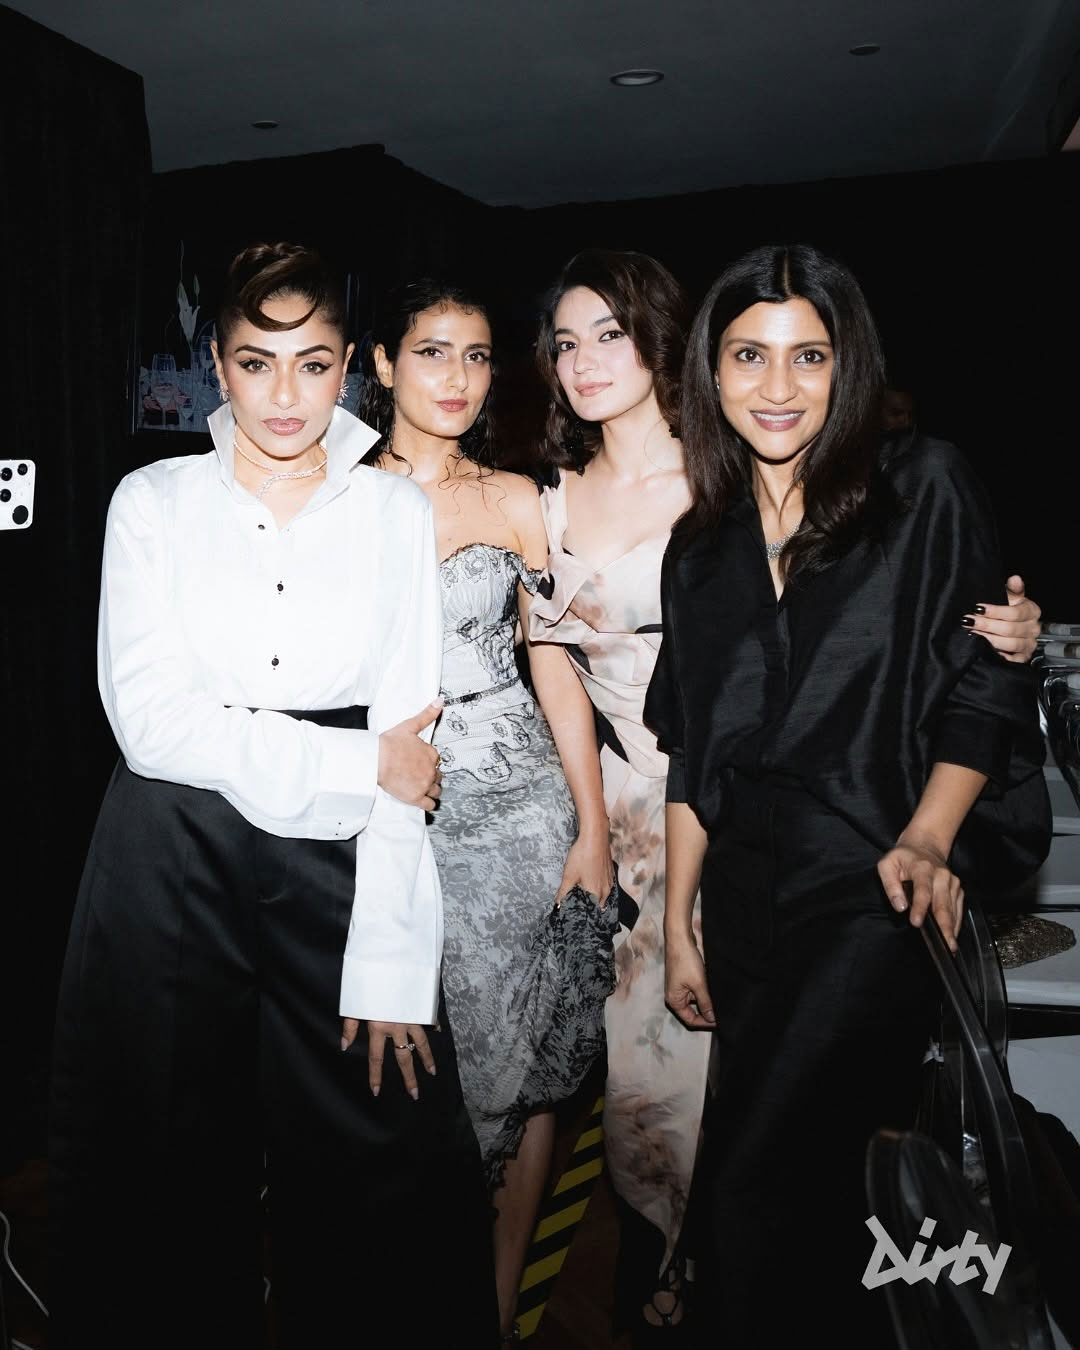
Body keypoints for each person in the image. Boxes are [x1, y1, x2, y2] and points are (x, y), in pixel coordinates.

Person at [528, 248, 1044, 1340]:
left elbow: (984, 687)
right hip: (745, 897)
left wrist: (930, 838)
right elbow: (691, 747)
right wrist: (678, 923)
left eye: (809, 356)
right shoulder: (700, 546)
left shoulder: (923, 487)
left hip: (873, 885)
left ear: (848, 366)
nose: (777, 385)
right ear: (709, 373)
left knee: (755, 1181)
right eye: (748, 356)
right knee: (813, 1193)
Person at [48, 243, 498, 1349]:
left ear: (348, 367)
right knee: (157, 1157)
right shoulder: (151, 501)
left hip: (339, 855)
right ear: (218, 366)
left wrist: (394, 959)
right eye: (257, 363)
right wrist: (353, 762)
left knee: (383, 1153)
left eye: (312, 363)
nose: (285, 394)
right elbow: (152, 725)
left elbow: (410, 740)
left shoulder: (392, 512)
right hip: (169, 848)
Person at [357, 279, 616, 1340]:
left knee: (524, 1066)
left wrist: (592, 827)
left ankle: (495, 1310)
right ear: (383, 363)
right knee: (404, 1062)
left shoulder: (516, 497)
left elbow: (554, 666)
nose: (458, 377)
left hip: (517, 807)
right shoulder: (332, 495)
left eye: (475, 355)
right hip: (385, 810)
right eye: (432, 352)